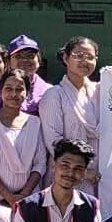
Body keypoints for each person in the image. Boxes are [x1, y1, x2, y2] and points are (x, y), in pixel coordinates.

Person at [0, 69, 47, 207]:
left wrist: (24, 194)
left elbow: (40, 163)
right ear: (0, 92)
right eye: (8, 89)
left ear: (27, 93)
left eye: (19, 89)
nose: (13, 94)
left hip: (28, 199)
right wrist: (8, 196)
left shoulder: (35, 123)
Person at [37, 36, 100, 177]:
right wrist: (82, 171)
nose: (85, 61)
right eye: (79, 55)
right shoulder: (54, 95)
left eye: (90, 57)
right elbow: (54, 141)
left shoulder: (100, 92)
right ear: (66, 58)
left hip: (99, 174)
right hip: (67, 174)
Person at [0, 35, 51, 114]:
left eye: (30, 56)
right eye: (18, 56)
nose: (25, 60)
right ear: (8, 62)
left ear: (39, 61)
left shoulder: (49, 92)